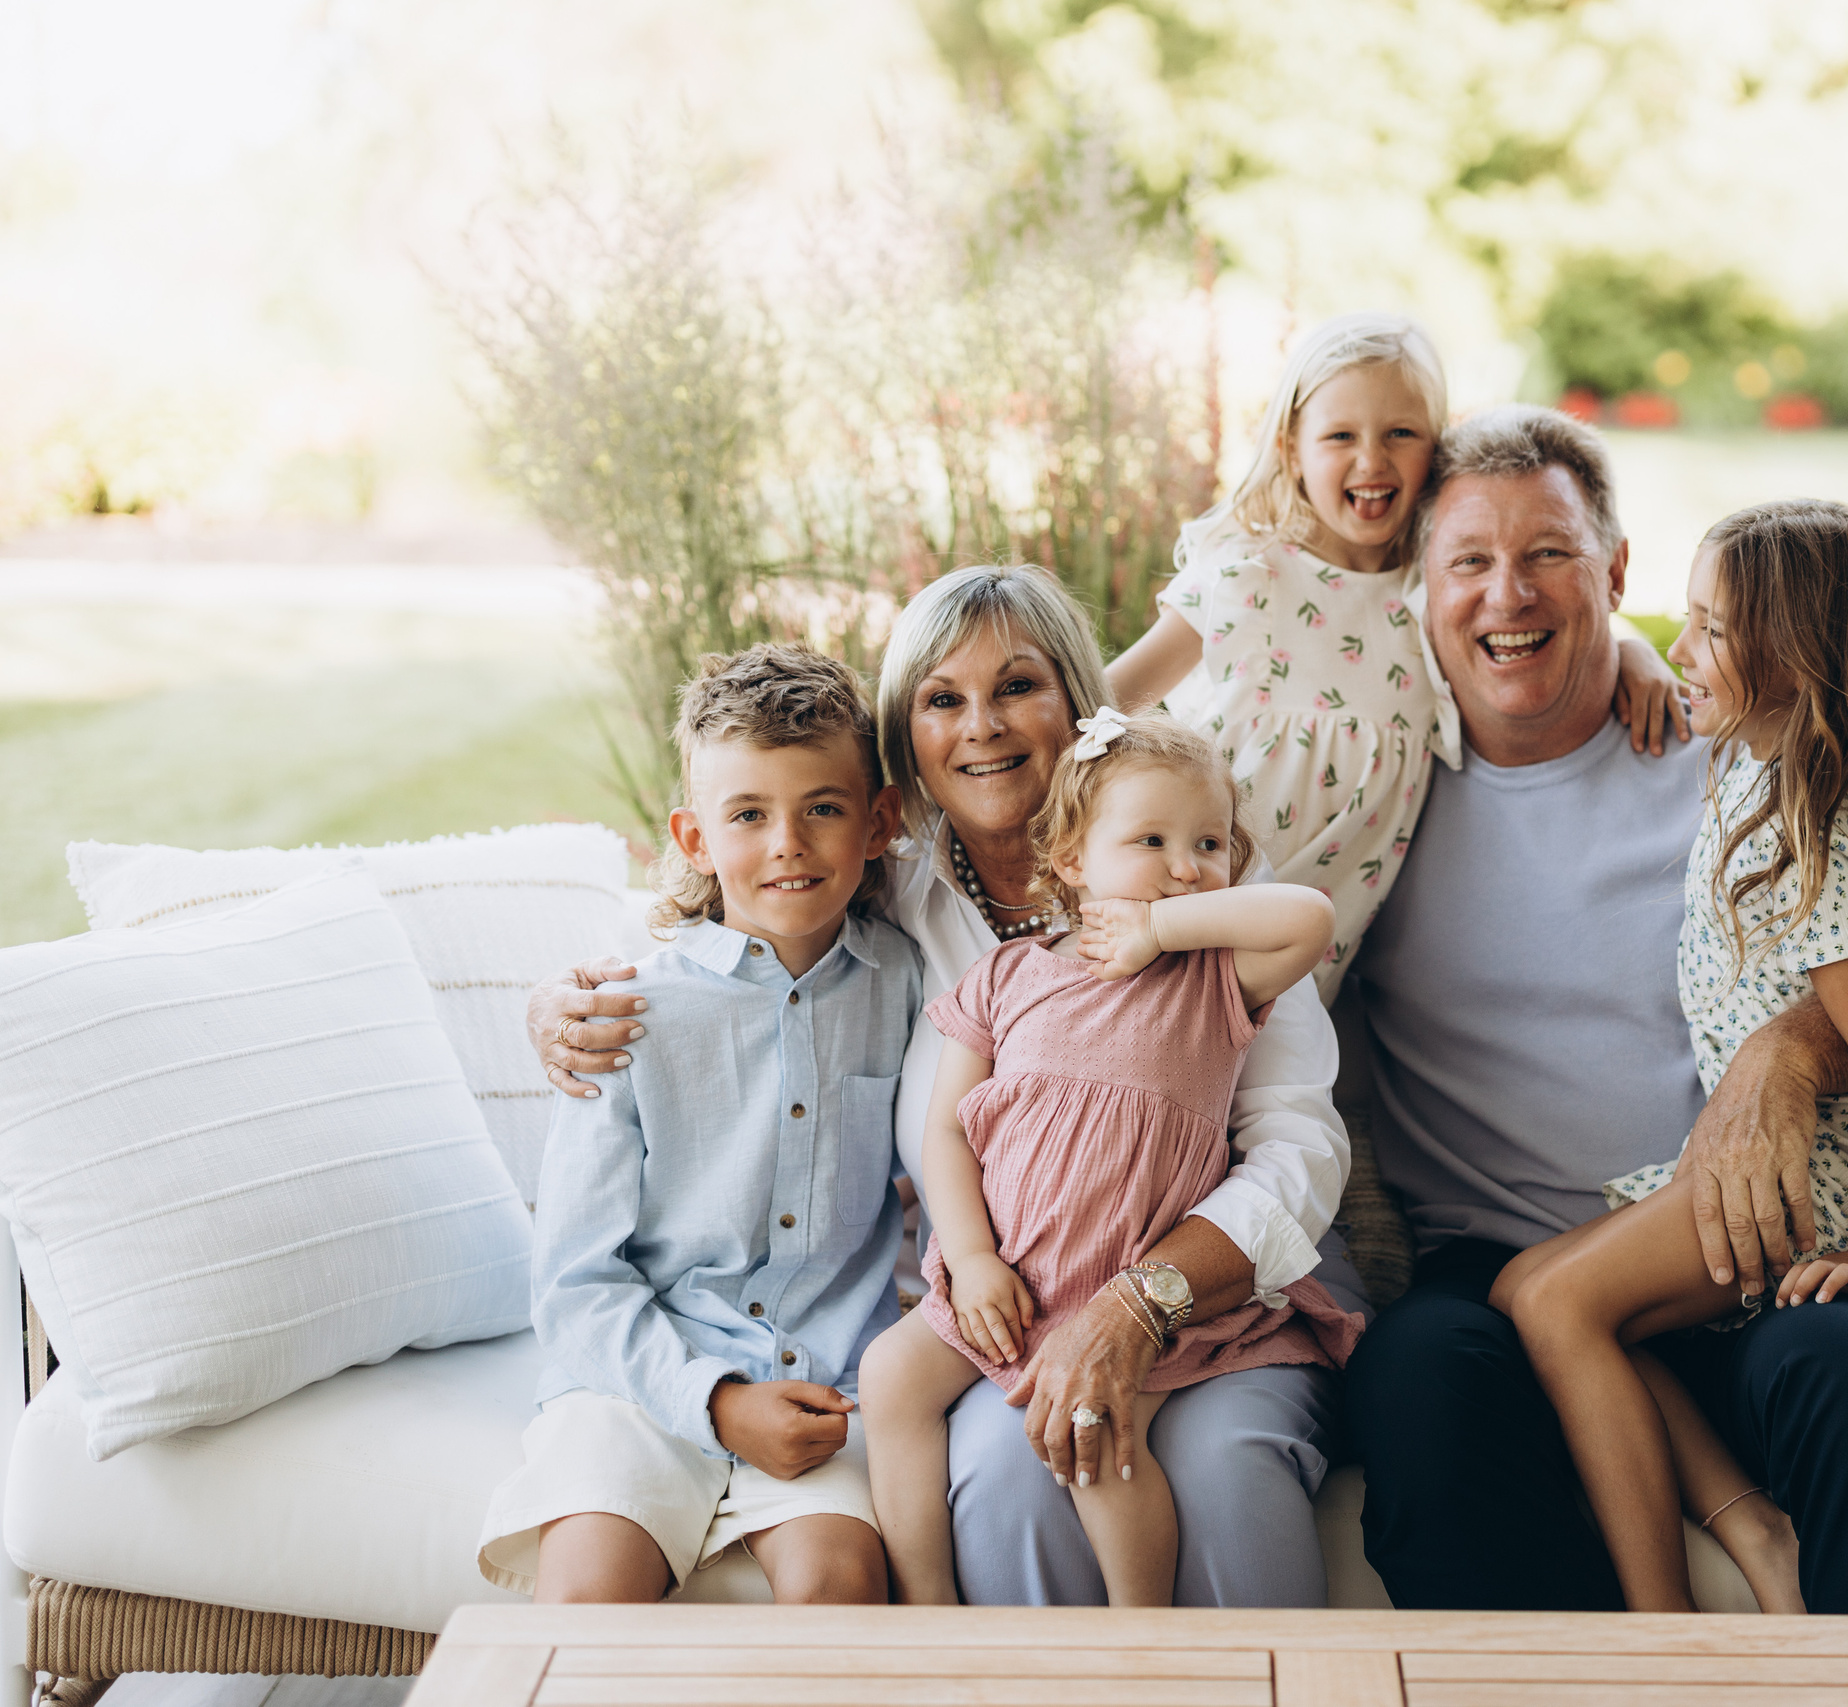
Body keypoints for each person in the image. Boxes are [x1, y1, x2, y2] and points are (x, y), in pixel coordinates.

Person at [528, 564, 1363, 1607]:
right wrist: (559, 1003)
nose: (982, 726)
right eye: (941, 699)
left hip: (1213, 1279)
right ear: (906, 743)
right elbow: (728, 916)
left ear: (1079, 700)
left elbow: (1298, 1143)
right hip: (1010, 1292)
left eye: (1017, 686)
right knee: (1008, 1481)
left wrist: (1142, 1302)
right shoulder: (885, 883)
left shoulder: (1194, 876)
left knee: (1224, 1473)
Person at [1342, 406, 1848, 1615]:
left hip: (1763, 1242)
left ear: (1615, 572)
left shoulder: (1737, 746)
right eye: (1468, 561)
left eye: (1549, 553)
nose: (1508, 595)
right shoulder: (1367, 801)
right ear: (1420, 589)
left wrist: (1791, 1052)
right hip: (1503, 1270)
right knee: (1417, 1385)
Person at [1490, 499, 1848, 1616]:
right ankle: (1757, 1532)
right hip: (1739, 1172)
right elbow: (1673, 667)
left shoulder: (1807, 825)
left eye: (1711, 631)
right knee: (1526, 1292)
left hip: (1795, 1191)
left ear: (1795, 658)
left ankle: (1666, 1619)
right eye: (1684, 621)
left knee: (1558, 1309)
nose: (1680, 644)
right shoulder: (1749, 760)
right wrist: (1651, 658)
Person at [863, 710, 1359, 1606]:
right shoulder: (1006, 976)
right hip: (1010, 1284)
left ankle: (1143, 1634)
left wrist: (1161, 927)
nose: (1186, 865)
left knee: (1095, 1445)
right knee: (888, 1375)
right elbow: (949, 1133)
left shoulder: (1214, 978)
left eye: (1209, 843)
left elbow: (1309, 917)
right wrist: (970, 1258)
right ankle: (929, 1611)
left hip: (1128, 1286)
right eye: (1151, 841)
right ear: (1071, 859)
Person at [478, 644, 917, 1606]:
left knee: (838, 1587)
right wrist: (714, 1402)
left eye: (823, 808)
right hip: (643, 1380)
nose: (788, 843)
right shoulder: (624, 1017)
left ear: (880, 820)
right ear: (694, 836)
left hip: (827, 1379)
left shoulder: (908, 984)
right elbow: (577, 1282)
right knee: (590, 1595)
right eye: (748, 814)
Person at [1109, 311, 1689, 1000]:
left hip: (1300, 976)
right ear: (1292, 450)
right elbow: (1105, 699)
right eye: (1340, 436)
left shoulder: (1429, 589)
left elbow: (1532, 626)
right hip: (1177, 919)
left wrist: (1629, 650)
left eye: (1401, 434)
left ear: (1435, 451)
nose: (1371, 461)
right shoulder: (1245, 578)